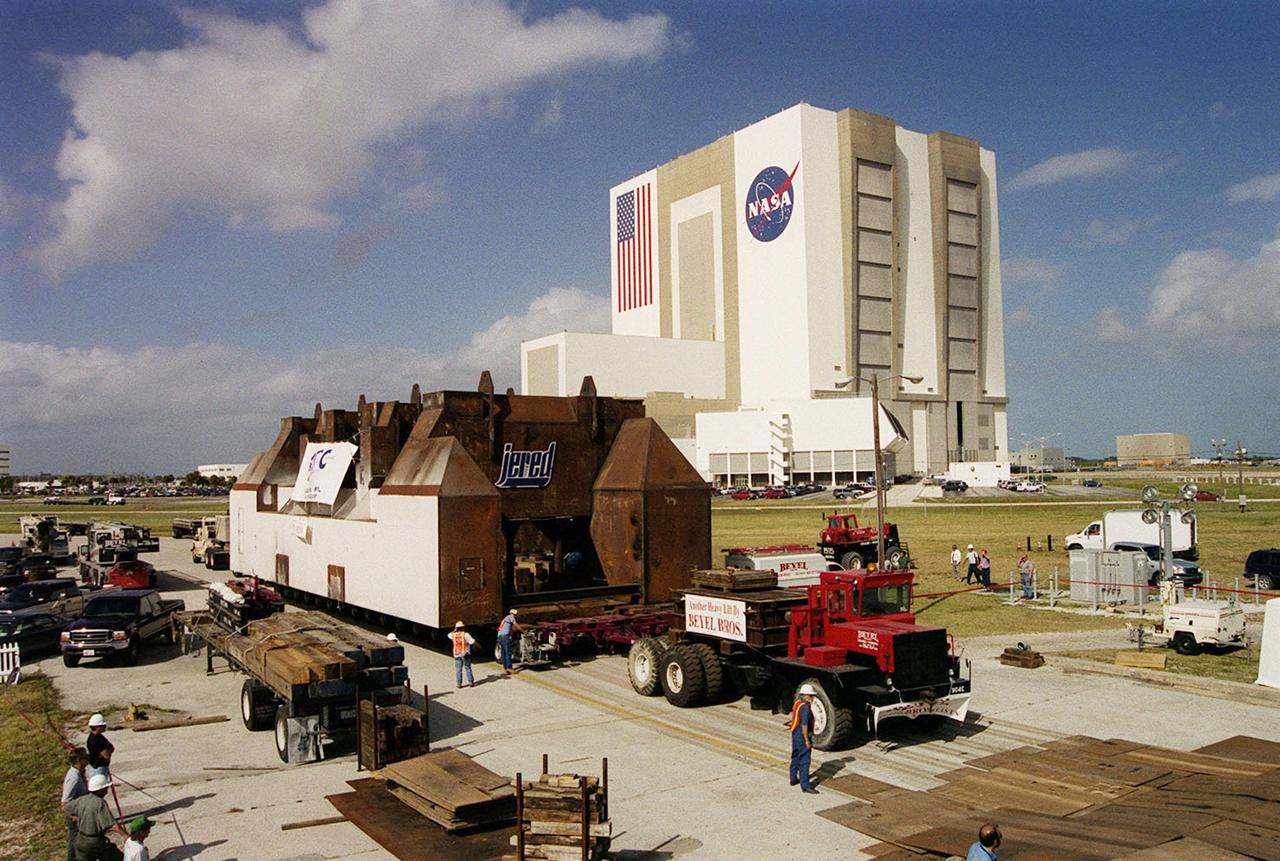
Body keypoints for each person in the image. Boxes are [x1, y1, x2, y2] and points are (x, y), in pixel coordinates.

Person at [65, 773, 126, 861]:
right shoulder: (100, 803)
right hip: (94, 842)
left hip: (81, 840)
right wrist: (126, 836)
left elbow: (66, 807)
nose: (107, 790)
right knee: (116, 857)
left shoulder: (82, 799)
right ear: (100, 790)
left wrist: (76, 817)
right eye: (106, 788)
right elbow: (112, 825)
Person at [788, 683, 819, 794]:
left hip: (795, 733)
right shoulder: (805, 708)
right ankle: (805, 785)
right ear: (805, 695)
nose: (812, 698)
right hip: (802, 735)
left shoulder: (798, 703)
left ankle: (793, 779)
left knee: (795, 755)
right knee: (805, 760)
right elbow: (804, 725)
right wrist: (807, 740)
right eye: (810, 695)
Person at [61, 747, 90, 861]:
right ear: (78, 760)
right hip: (75, 816)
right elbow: (65, 803)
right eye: (85, 757)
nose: (87, 759)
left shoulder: (80, 773)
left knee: (76, 843)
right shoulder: (73, 778)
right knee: (76, 842)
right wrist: (74, 817)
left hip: (81, 813)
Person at [85, 714, 114, 781]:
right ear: (98, 727)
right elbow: (107, 755)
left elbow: (111, 748)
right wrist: (107, 751)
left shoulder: (99, 737)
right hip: (98, 769)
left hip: (100, 767)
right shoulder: (95, 741)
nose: (105, 727)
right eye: (103, 725)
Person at [496, 609, 522, 674]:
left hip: (499, 636)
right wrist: (523, 631)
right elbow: (516, 625)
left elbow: (509, 629)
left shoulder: (505, 618)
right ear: (514, 614)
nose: (516, 617)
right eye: (516, 615)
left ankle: (505, 668)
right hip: (504, 637)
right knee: (508, 652)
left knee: (503, 652)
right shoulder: (511, 617)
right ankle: (509, 668)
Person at [450, 621, 476, 688]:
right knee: (468, 668)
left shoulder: (453, 635)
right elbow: (472, 641)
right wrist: (478, 645)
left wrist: (455, 630)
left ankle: (459, 683)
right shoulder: (465, 634)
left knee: (458, 669)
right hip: (465, 653)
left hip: (456, 654)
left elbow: (449, 635)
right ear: (463, 628)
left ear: (456, 628)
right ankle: (471, 682)